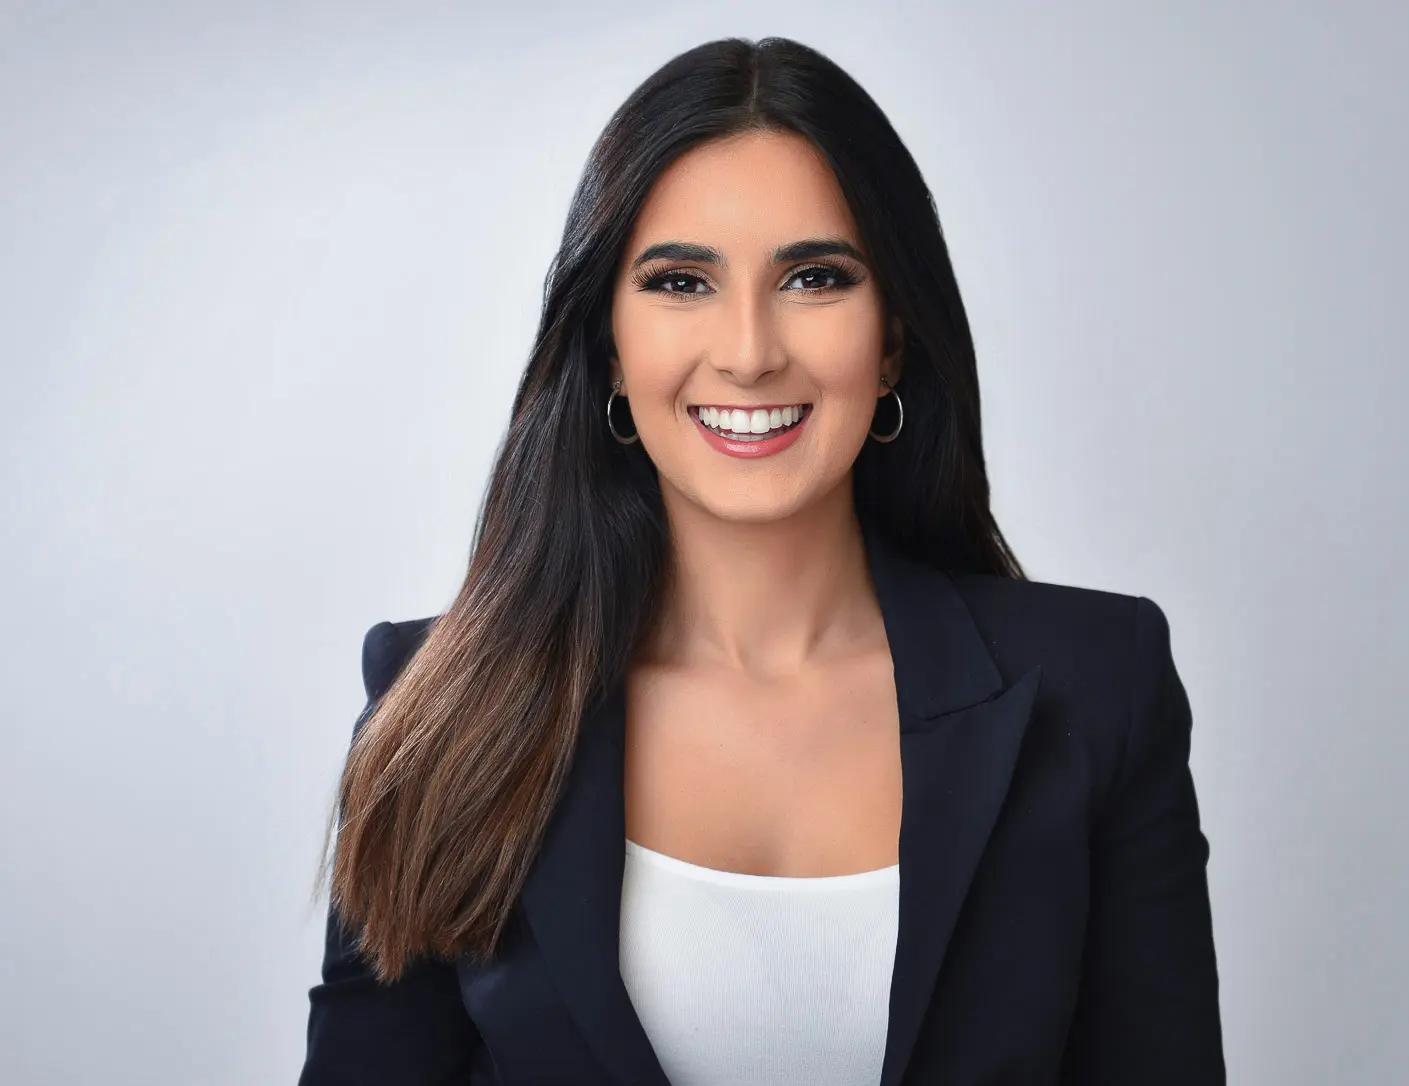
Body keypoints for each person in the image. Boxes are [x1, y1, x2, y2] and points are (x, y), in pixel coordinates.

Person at [297, 35, 1225, 1086]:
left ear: (892, 339)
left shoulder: (1102, 689)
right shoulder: (442, 710)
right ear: (610, 345)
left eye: (815, 277)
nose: (748, 350)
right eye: (682, 281)